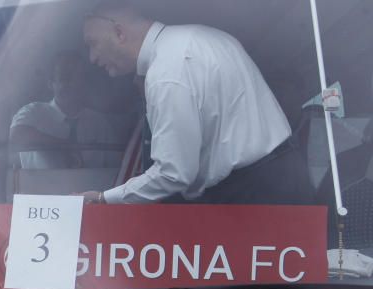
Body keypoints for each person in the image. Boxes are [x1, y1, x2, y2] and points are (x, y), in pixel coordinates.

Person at [79, 2, 312, 205]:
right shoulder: (203, 37)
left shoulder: (167, 74)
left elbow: (173, 174)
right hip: (283, 178)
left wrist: (103, 199)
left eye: (93, 43)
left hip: (257, 193)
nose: (92, 58)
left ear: (119, 33)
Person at [10, 51, 122, 169]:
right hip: (39, 187)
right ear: (50, 83)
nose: (73, 84)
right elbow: (16, 136)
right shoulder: (33, 112)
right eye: (65, 78)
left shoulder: (99, 122)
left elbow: (116, 167)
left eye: (79, 78)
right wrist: (67, 147)